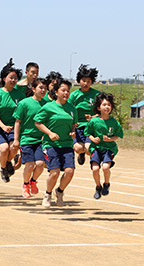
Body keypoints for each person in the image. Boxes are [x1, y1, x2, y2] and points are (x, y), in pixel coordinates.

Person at [34, 79, 78, 208]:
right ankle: (47, 194)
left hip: (67, 144)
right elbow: (38, 122)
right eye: (63, 90)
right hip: (51, 145)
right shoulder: (48, 107)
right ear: (56, 92)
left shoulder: (72, 108)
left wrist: (73, 132)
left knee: (70, 171)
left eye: (68, 91)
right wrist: (49, 133)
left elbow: (73, 124)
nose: (66, 93)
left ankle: (59, 191)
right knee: (55, 172)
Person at [0, 59, 25, 183]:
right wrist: (3, 126)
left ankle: (8, 162)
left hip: (14, 128)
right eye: (11, 78)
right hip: (0, 128)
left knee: (14, 148)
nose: (14, 80)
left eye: (16, 78)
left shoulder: (19, 95)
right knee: (4, 149)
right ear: (4, 78)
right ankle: (4, 168)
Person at [84, 92, 124, 199]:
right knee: (95, 169)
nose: (107, 107)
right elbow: (87, 133)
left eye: (109, 105)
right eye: (104, 105)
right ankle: (98, 187)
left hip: (109, 148)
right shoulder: (94, 121)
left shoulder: (114, 122)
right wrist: (93, 139)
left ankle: (106, 184)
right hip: (96, 148)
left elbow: (117, 135)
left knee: (105, 167)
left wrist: (110, 139)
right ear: (98, 107)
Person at [13, 78, 47, 198]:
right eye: (40, 88)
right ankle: (25, 185)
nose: (43, 90)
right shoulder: (24, 103)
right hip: (26, 139)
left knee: (40, 164)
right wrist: (16, 139)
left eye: (45, 88)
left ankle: (33, 181)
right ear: (33, 89)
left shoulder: (46, 105)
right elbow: (17, 121)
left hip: (40, 140)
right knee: (30, 165)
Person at [68, 64, 100, 165]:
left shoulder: (97, 95)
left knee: (88, 148)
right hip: (77, 126)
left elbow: (102, 112)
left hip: (91, 126)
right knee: (78, 148)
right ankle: (81, 154)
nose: (86, 83)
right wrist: (73, 123)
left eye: (89, 81)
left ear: (92, 82)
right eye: (83, 81)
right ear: (79, 81)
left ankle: (94, 159)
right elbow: (68, 110)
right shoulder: (74, 95)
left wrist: (93, 117)